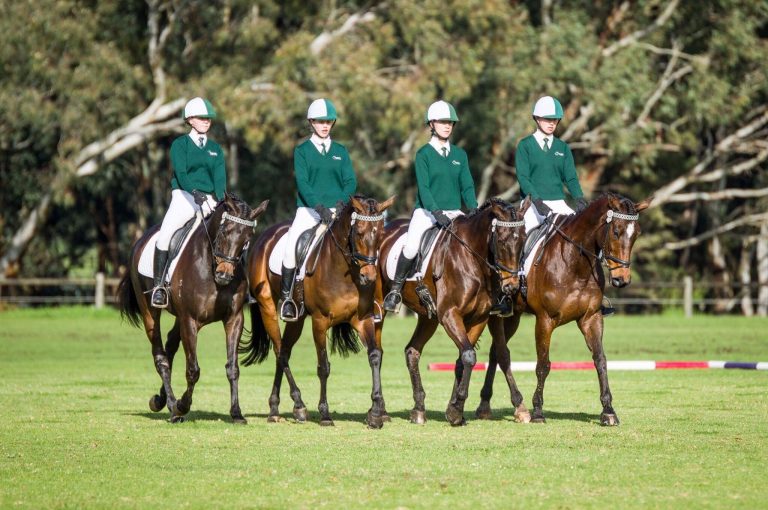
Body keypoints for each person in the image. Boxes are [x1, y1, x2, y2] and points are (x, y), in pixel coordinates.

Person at [516, 95, 613, 315]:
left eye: (555, 119)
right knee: (523, 240)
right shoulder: (525, 146)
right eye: (547, 118)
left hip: (559, 203)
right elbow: (523, 177)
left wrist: (579, 200)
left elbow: (570, 178)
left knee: (590, 235)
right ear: (536, 119)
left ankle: (598, 292)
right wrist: (537, 201)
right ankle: (514, 286)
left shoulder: (562, 148)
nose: (551, 123)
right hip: (532, 204)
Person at [383, 100, 479, 313]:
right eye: (443, 122)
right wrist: (436, 212)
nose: (447, 126)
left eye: (450, 123)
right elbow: (424, 188)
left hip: (455, 212)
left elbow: (467, 185)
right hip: (427, 212)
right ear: (432, 124)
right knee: (411, 245)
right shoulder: (423, 154)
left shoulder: (459, 155)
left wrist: (473, 209)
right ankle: (395, 291)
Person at [278, 98, 357, 321]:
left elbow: (350, 181)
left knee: (362, 244)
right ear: (311, 122)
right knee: (291, 247)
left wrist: (342, 203)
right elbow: (303, 183)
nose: (325, 126)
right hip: (309, 211)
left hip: (339, 211)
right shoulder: (302, 151)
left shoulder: (340, 151)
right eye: (320, 122)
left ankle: (369, 297)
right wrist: (319, 207)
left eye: (328, 122)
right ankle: (287, 299)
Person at [151, 97, 225, 308]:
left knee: (232, 232)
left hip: (209, 200)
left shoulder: (215, 149)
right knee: (165, 235)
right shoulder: (180, 144)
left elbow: (220, 180)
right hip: (184, 197)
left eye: (208, 118)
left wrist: (222, 201)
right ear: (190, 119)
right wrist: (195, 193)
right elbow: (181, 173)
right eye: (202, 118)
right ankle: (159, 287)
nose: (206, 121)